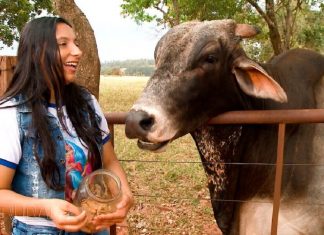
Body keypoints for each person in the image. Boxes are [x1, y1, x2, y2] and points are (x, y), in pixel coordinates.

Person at [0, 16, 134, 234]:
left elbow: (109, 161)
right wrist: (47, 207)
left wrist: (124, 194)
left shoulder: (87, 102)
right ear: (36, 53)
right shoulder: (11, 112)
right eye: (63, 44)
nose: (77, 51)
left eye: (76, 43)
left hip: (93, 228)